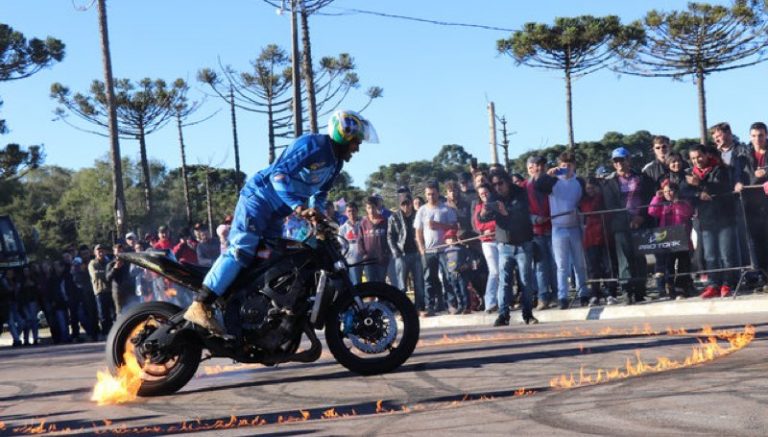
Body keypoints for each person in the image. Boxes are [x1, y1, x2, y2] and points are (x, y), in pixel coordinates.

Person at [184, 110, 378, 335]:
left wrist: (318, 213)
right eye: (355, 142)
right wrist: (297, 206)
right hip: (258, 200)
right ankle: (201, 303)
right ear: (343, 136)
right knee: (242, 249)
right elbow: (279, 175)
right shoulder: (312, 144)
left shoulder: (336, 164)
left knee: (273, 258)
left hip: (278, 212)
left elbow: (321, 193)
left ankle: (247, 309)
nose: (357, 147)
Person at [479, 170, 537, 326]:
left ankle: (528, 314)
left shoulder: (520, 192)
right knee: (504, 281)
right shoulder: (493, 196)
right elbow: (482, 218)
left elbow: (521, 213)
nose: (498, 187)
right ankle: (503, 315)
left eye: (500, 183)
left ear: (507, 181)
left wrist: (506, 212)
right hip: (504, 244)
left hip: (523, 242)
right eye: (494, 184)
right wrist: (484, 212)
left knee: (525, 280)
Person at [682, 144, 739, 298]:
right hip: (705, 221)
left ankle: (728, 284)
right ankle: (713, 284)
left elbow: (720, 187)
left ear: (707, 155)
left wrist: (699, 185)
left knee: (726, 255)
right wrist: (697, 194)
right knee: (710, 256)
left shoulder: (720, 169)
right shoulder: (690, 173)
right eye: (693, 158)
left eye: (699, 156)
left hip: (725, 219)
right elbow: (683, 191)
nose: (697, 160)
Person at [535, 151, 589, 309]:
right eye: (563, 166)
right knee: (562, 265)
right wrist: (548, 175)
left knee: (579, 263)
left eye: (569, 166)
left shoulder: (578, 181)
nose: (566, 168)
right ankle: (563, 297)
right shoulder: (553, 182)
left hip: (575, 226)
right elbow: (538, 186)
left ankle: (583, 293)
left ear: (574, 166)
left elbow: (585, 198)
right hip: (558, 228)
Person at [601, 147, 654, 304]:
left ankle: (640, 290)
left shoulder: (642, 178)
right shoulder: (609, 182)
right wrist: (626, 220)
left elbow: (647, 198)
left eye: (621, 160)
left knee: (639, 257)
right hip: (620, 224)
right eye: (615, 161)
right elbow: (610, 204)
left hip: (640, 221)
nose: (619, 163)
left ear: (628, 160)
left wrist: (640, 217)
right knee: (624, 259)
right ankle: (627, 291)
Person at [414, 180, 458, 316]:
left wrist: (439, 225)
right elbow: (418, 232)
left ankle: (451, 304)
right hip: (428, 251)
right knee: (429, 279)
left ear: (438, 193)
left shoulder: (446, 209)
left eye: (433, 194)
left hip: (444, 249)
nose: (430, 197)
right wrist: (421, 249)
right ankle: (430, 306)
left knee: (448, 277)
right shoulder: (421, 211)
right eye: (428, 194)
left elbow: (454, 227)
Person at [648, 180, 695, 299]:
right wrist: (657, 198)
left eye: (670, 190)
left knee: (683, 265)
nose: (668, 193)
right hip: (667, 241)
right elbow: (652, 211)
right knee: (668, 266)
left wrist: (677, 203)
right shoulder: (662, 205)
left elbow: (688, 213)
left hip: (682, 239)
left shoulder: (684, 203)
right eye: (665, 191)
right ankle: (669, 287)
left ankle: (681, 288)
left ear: (676, 191)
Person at [524, 155, 557, 310]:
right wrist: (535, 219)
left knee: (555, 263)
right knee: (541, 266)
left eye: (542, 165)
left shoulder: (553, 182)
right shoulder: (524, 187)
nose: (540, 168)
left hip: (553, 227)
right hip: (536, 231)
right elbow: (522, 210)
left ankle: (557, 295)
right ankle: (543, 297)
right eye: (536, 165)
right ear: (530, 168)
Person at [580, 177, 618, 306]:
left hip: (606, 235)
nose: (590, 191)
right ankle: (595, 294)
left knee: (609, 267)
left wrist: (600, 192)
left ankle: (611, 293)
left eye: (593, 188)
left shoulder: (604, 197)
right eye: (588, 188)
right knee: (593, 268)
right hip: (591, 237)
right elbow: (589, 210)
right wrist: (596, 195)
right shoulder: (584, 201)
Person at [388, 190, 425, 310]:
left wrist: (422, 248)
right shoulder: (394, 217)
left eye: (408, 203)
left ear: (411, 203)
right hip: (401, 255)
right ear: (400, 204)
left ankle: (420, 307)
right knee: (401, 285)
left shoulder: (418, 214)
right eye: (403, 204)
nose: (406, 206)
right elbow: (390, 236)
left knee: (419, 283)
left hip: (416, 253)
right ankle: (403, 309)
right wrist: (395, 252)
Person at [474, 182, 499, 313]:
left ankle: (501, 300)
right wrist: (489, 228)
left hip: (500, 240)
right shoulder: (479, 207)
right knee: (494, 271)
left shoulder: (497, 203)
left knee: (503, 271)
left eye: (486, 192)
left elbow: (500, 220)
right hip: (487, 242)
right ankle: (490, 302)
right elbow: (478, 225)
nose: (484, 195)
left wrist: (491, 227)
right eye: (481, 193)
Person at [358, 195, 390, 283]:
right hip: (368, 261)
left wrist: (386, 253)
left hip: (382, 259)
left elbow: (390, 239)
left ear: (377, 207)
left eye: (373, 207)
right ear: (366, 209)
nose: (371, 210)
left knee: (381, 285)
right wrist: (364, 254)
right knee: (370, 285)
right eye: (368, 208)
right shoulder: (363, 223)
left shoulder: (385, 221)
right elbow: (360, 241)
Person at [88, 244, 115, 336]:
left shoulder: (109, 262)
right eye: (98, 250)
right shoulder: (92, 263)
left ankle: (113, 332)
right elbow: (96, 275)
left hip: (110, 290)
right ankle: (105, 332)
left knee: (112, 313)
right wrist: (108, 273)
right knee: (103, 314)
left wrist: (108, 272)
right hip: (100, 291)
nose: (100, 252)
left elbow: (113, 274)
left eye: (102, 250)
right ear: (94, 252)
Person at [441, 229, 470, 314]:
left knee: (463, 289)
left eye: (452, 238)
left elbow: (469, 258)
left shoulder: (461, 248)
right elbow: (446, 262)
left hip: (462, 272)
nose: (450, 240)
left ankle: (466, 306)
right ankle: (460, 306)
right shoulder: (446, 251)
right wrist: (448, 272)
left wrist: (466, 265)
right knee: (456, 290)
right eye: (448, 239)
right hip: (452, 273)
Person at [106, 243, 137, 314]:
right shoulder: (110, 264)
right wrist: (115, 269)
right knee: (120, 312)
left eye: (121, 251)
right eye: (117, 251)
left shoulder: (128, 262)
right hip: (118, 292)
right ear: (114, 252)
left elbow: (132, 274)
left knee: (132, 311)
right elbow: (107, 278)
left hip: (129, 290)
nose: (119, 253)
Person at [339, 202, 364, 285]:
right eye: (349, 211)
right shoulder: (343, 228)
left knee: (372, 282)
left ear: (357, 211)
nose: (351, 213)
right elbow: (342, 245)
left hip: (367, 258)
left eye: (353, 210)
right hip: (352, 260)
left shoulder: (364, 223)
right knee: (356, 283)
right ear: (346, 213)